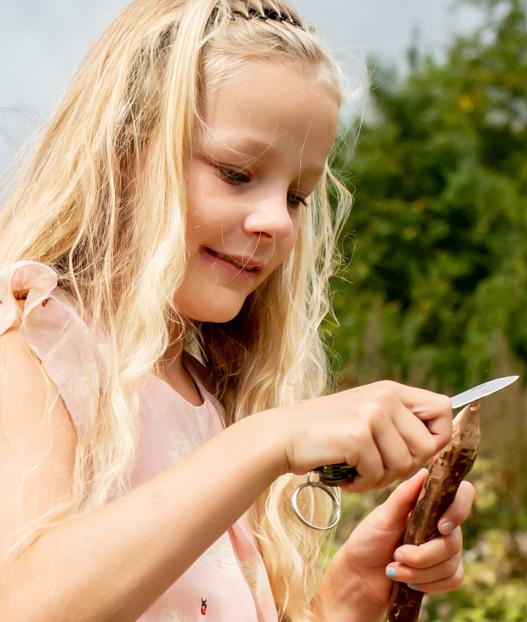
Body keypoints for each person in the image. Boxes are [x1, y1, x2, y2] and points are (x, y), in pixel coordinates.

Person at [0, 1, 475, 620]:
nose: (277, 220)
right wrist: (264, 443)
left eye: (298, 195)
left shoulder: (209, 400)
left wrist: (345, 600)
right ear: (125, 150)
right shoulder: (34, 340)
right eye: (236, 172)